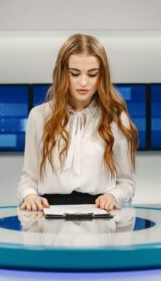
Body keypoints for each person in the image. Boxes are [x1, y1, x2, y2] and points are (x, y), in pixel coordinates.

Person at [17, 33, 138, 211]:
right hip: (49, 217)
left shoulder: (117, 119)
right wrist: (29, 195)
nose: (83, 82)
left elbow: (127, 182)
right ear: (62, 73)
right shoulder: (38, 116)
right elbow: (28, 178)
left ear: (102, 76)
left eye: (92, 74)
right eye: (74, 73)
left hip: (100, 217)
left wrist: (113, 196)